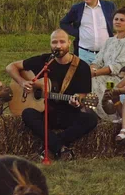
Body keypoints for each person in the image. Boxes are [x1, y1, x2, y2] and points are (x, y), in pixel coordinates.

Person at [6, 30, 98, 162]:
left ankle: (52, 145)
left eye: (62, 42)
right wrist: (22, 82)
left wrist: (76, 100)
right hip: (45, 113)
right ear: (50, 44)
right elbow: (11, 67)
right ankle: (60, 147)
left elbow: (83, 95)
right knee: (27, 113)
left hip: (68, 113)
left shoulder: (81, 67)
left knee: (91, 119)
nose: (58, 46)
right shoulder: (44, 61)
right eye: (54, 42)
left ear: (69, 43)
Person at [89, 8, 125, 121]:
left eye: (122, 20)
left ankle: (108, 116)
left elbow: (118, 66)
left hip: (118, 80)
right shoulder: (109, 41)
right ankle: (89, 112)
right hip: (102, 76)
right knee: (85, 79)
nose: (118, 22)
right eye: (116, 19)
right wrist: (92, 68)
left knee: (94, 80)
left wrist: (95, 73)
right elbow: (98, 60)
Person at [60, 0, 117, 64]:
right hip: (84, 54)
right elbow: (63, 23)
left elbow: (117, 21)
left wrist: (116, 33)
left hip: (106, 53)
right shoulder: (77, 8)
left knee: (105, 76)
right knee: (84, 76)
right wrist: (78, 33)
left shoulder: (109, 6)